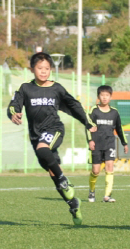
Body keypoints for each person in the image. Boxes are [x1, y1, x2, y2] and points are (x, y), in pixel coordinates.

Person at [8, 52, 97, 225]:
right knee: (52, 172)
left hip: (54, 129)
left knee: (44, 150)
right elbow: (14, 104)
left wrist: (87, 121)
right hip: (35, 135)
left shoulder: (57, 88)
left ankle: (65, 179)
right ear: (32, 69)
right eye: (40, 68)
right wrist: (13, 113)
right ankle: (73, 204)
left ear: (51, 69)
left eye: (47, 68)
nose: (43, 71)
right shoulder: (26, 88)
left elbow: (74, 105)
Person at [88, 85, 128, 203]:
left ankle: (107, 195)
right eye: (102, 95)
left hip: (109, 143)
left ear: (110, 97)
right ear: (98, 97)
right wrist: (90, 140)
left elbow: (119, 129)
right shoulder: (93, 111)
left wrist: (124, 143)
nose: (104, 98)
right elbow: (88, 127)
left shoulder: (114, 112)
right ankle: (91, 191)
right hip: (96, 144)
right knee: (96, 171)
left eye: (107, 95)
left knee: (109, 166)